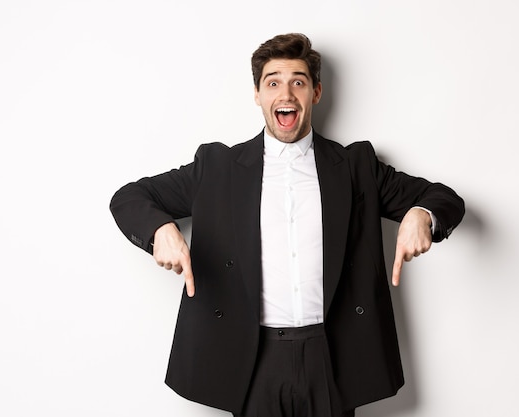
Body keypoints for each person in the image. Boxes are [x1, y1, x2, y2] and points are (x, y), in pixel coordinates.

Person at [110, 33, 465, 417]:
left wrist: (420, 215)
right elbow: (128, 198)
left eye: (298, 81)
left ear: (315, 92)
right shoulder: (217, 169)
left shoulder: (355, 167)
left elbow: (446, 199)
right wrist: (160, 230)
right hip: (251, 359)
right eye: (273, 82)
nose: (286, 93)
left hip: (332, 358)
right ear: (258, 95)